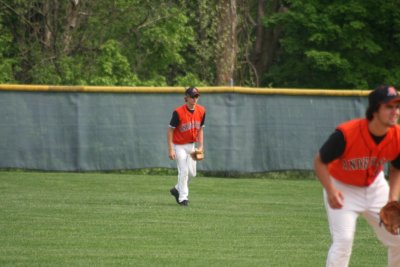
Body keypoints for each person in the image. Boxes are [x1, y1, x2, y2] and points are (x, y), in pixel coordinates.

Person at [314, 85, 400, 267]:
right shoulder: (347, 134)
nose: (395, 112)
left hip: (376, 187)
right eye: (389, 107)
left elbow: (397, 167)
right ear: (375, 110)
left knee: (398, 238)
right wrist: (330, 191)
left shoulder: (397, 136)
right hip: (342, 188)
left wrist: (392, 198)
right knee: (343, 241)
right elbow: (319, 162)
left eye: (397, 107)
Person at [167, 87, 206, 206]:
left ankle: (177, 189)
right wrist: (171, 148)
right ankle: (183, 198)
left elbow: (200, 130)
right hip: (179, 146)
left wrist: (200, 146)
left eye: (196, 96)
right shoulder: (178, 112)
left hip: (191, 145)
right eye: (192, 96)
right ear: (187, 97)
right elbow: (170, 131)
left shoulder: (201, 111)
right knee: (183, 171)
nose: (195, 99)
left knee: (192, 174)